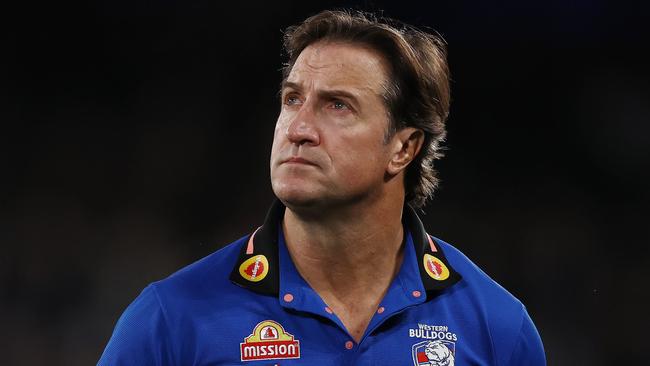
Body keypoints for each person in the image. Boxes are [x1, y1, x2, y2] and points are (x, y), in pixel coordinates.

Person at [99, 10, 546, 365]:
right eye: (292, 99)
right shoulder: (170, 320)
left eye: (337, 105)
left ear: (404, 148)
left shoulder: (496, 328)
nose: (299, 128)